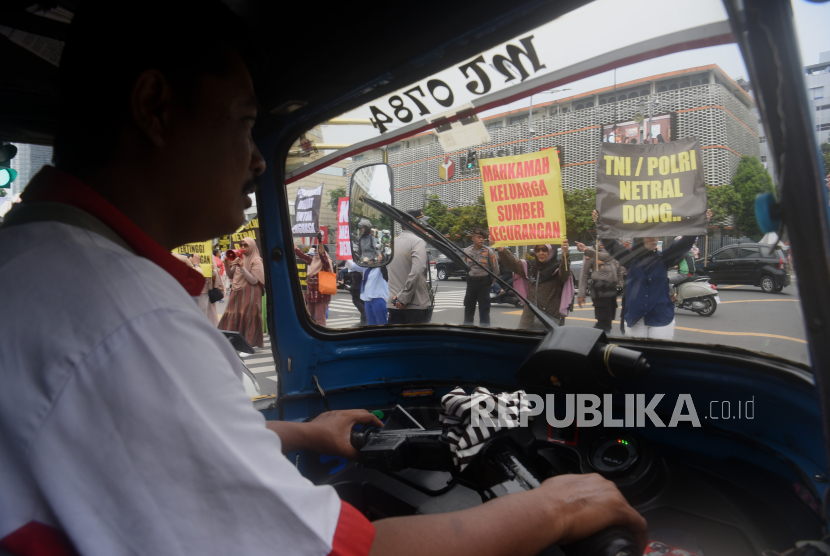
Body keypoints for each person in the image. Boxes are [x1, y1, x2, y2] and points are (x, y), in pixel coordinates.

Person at [0, 2, 646, 554]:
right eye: (247, 122)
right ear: (155, 106)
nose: (257, 161)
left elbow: (139, 445)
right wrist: (557, 508)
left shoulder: (37, 263)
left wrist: (304, 432)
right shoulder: (127, 315)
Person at [592, 209, 712, 339]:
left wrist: (701, 222)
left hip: (661, 317)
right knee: (638, 355)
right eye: (650, 236)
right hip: (635, 318)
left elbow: (684, 243)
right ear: (640, 239)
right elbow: (610, 244)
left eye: (656, 236)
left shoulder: (664, 258)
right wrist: (600, 223)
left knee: (660, 356)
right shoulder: (630, 259)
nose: (654, 239)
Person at [496, 242, 573, 328]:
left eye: (544, 250)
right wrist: (500, 248)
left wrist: (564, 256)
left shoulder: (558, 268)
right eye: (537, 250)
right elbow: (513, 263)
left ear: (552, 251)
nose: (541, 253)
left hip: (550, 316)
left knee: (548, 341)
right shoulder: (530, 266)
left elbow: (564, 274)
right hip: (529, 315)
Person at [387, 210, 432, 325]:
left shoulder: (393, 242)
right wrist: (404, 297)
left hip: (394, 304)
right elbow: (416, 271)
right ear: (411, 223)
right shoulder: (418, 242)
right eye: (421, 222)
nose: (424, 225)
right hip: (414, 306)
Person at [219, 237, 265, 346]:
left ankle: (249, 344)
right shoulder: (239, 258)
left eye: (246, 245)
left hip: (250, 292)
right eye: (241, 245)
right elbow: (231, 275)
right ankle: (233, 341)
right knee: (234, 314)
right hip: (237, 290)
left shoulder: (256, 261)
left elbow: (254, 280)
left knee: (248, 316)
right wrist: (226, 264)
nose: (243, 247)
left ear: (252, 246)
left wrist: (243, 268)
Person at [575, 242, 618, 334]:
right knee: (603, 322)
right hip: (600, 289)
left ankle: (600, 340)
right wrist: (581, 294)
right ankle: (595, 341)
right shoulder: (593, 250)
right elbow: (584, 274)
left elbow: (619, 270)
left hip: (612, 288)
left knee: (609, 320)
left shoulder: (614, 248)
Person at [462, 227, 499, 326]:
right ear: (473, 238)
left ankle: (485, 331)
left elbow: (496, 269)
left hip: (484, 283)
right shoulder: (467, 251)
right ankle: (467, 330)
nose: (482, 239)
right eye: (479, 237)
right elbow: (464, 266)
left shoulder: (489, 252)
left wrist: (490, 283)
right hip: (471, 283)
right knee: (469, 307)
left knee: (484, 309)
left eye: (483, 238)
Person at [294, 239, 332, 326]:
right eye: (315, 250)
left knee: (319, 319)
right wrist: (293, 245)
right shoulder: (313, 262)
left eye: (317, 250)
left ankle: (322, 338)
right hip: (311, 295)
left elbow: (323, 257)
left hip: (321, 296)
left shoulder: (326, 264)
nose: (315, 252)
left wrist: (320, 241)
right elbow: (302, 255)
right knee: (308, 318)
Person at [346, 260, 389, 325]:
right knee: (371, 327)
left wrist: (382, 259)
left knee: (381, 326)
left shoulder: (383, 266)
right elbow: (353, 266)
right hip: (367, 300)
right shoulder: (366, 267)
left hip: (379, 298)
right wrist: (344, 257)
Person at [192, 251, 225, 326]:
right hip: (189, 292)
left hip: (204, 292)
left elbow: (214, 275)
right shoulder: (185, 254)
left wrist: (212, 270)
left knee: (204, 317)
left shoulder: (208, 253)